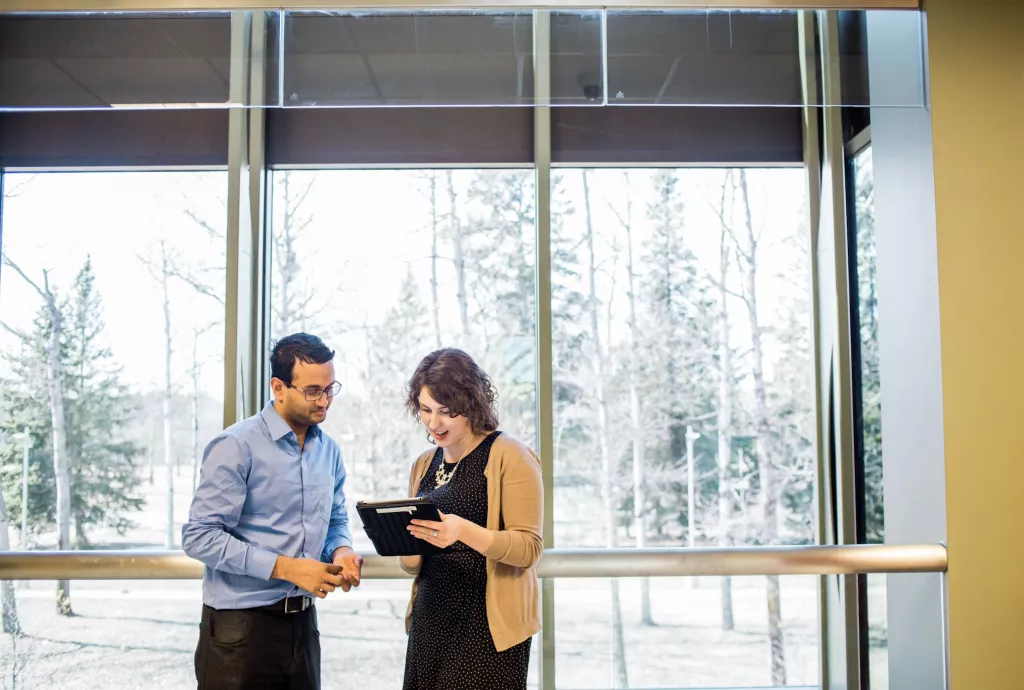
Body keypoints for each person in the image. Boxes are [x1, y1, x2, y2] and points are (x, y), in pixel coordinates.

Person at [182, 333, 363, 690]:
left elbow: (335, 519)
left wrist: (340, 550)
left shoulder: (328, 451)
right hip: (241, 632)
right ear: (278, 387)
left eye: (330, 388)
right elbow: (199, 537)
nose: (325, 400)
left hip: (303, 628)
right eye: (313, 390)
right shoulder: (236, 446)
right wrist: (288, 568)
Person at [399, 348, 544, 690]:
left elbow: (529, 548)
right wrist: (399, 536)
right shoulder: (424, 463)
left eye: (446, 412)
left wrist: (463, 531)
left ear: (472, 404)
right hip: (431, 619)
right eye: (425, 410)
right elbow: (411, 565)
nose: (434, 423)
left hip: (486, 628)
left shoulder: (509, 454)